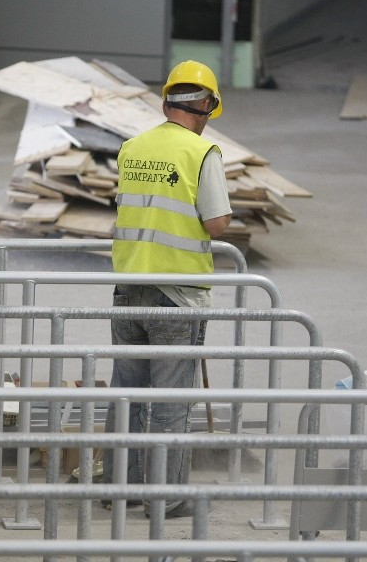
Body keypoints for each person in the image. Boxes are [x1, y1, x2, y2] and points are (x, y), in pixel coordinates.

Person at [101, 60, 232, 518]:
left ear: (165, 101)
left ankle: (121, 488)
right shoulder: (202, 154)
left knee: (127, 394)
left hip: (128, 289)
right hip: (177, 294)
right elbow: (216, 224)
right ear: (208, 107)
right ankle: (169, 497)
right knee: (171, 400)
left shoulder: (133, 147)